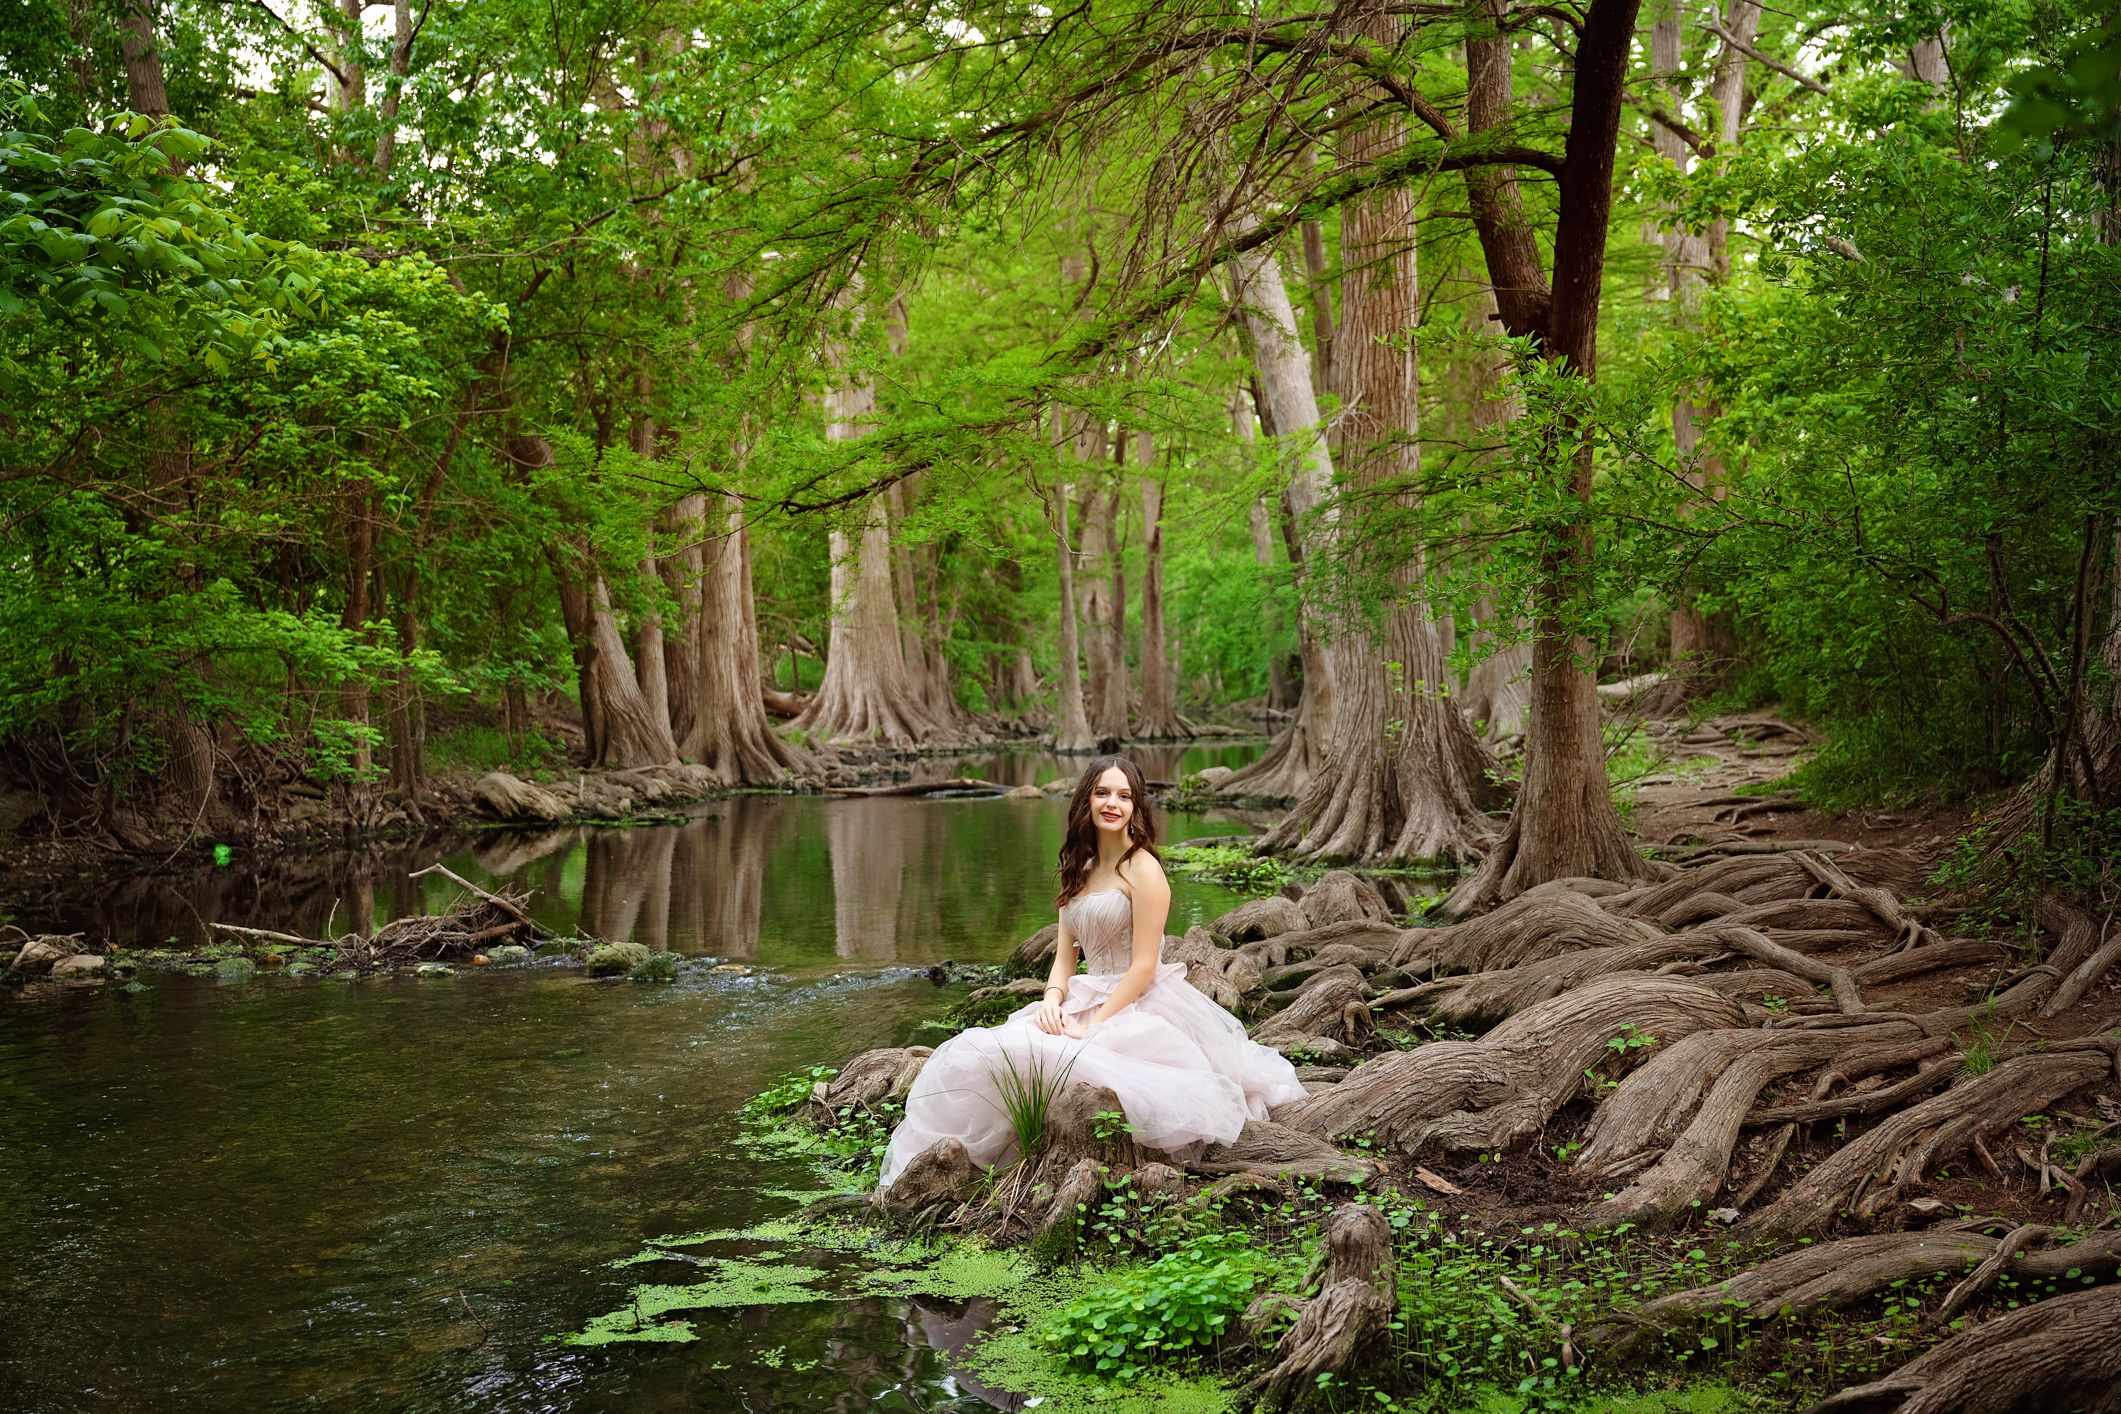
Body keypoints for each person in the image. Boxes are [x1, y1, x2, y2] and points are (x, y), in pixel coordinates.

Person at [878, 754, 1307, 1187]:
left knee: (1082, 1062)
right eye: (1103, 793)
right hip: (1084, 994)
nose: (1112, 804)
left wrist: (1097, 1026)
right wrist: (1051, 1000)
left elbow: (1143, 967)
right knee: (987, 1052)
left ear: (1137, 807)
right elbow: (1064, 960)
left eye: (1124, 796)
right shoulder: (1078, 870)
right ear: (1087, 799)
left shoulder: (1145, 869)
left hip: (1137, 1001)